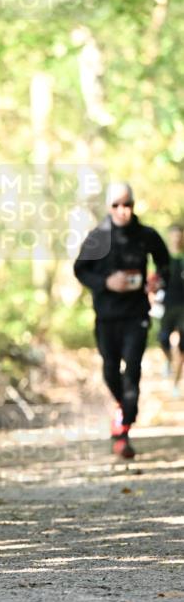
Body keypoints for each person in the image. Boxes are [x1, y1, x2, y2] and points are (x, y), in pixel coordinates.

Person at [74, 181, 170, 459]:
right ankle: (123, 409)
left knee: (133, 371)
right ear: (108, 206)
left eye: (127, 204)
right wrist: (106, 282)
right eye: (116, 205)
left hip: (136, 315)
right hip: (106, 316)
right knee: (110, 370)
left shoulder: (146, 235)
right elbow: (80, 270)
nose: (122, 210)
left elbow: (164, 264)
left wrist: (157, 280)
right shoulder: (97, 236)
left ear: (134, 205)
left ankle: (123, 431)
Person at [158, 223, 184, 398]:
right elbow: (155, 279)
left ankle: (176, 383)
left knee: (183, 347)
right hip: (167, 306)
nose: (176, 238)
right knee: (163, 339)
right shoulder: (163, 258)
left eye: (179, 235)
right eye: (174, 235)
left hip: (183, 307)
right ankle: (168, 361)